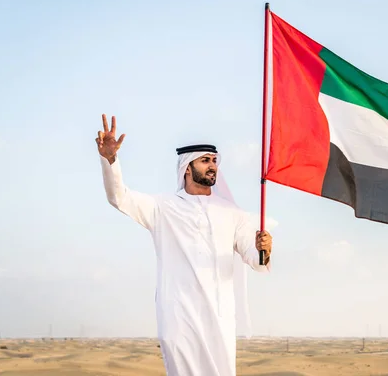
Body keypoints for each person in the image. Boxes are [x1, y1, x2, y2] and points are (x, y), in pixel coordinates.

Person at [95, 114, 272, 376]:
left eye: (214, 161)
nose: (212, 166)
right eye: (205, 161)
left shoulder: (232, 213)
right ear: (187, 167)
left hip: (219, 317)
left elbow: (254, 258)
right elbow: (119, 198)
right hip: (178, 314)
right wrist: (110, 160)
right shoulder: (162, 207)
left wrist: (263, 249)